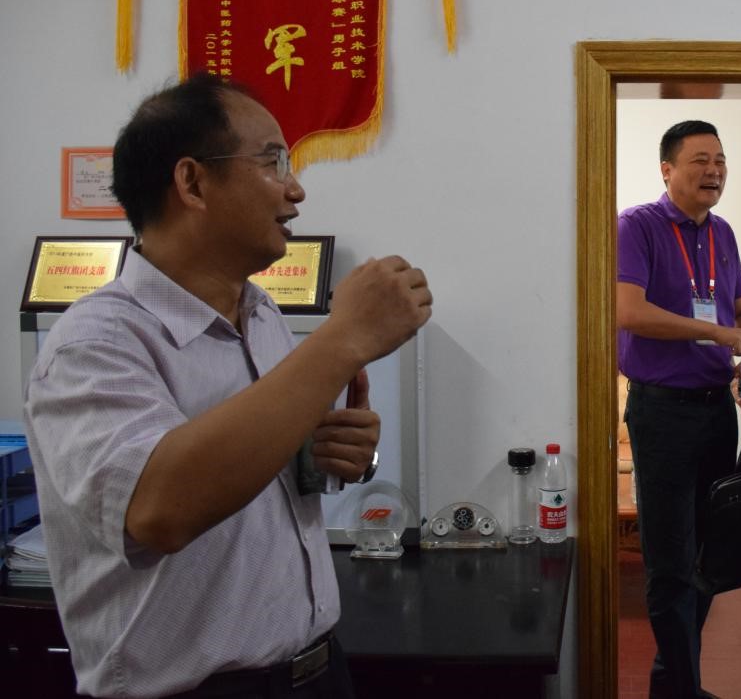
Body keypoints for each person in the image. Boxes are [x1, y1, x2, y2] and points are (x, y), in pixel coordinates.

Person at [22, 74, 433, 698]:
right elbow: (160, 509)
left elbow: (250, 460)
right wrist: (344, 337)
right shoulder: (92, 343)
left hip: (318, 670)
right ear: (192, 183)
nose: (295, 189)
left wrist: (322, 457)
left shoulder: (263, 314)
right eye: (272, 161)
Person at [616, 119, 741, 698]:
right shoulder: (636, 226)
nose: (714, 170)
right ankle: (681, 687)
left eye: (720, 160)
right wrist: (718, 333)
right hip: (662, 413)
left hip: (715, 410)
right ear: (667, 169)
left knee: (706, 556)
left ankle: (674, 685)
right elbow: (629, 312)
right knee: (670, 561)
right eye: (700, 160)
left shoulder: (723, 232)